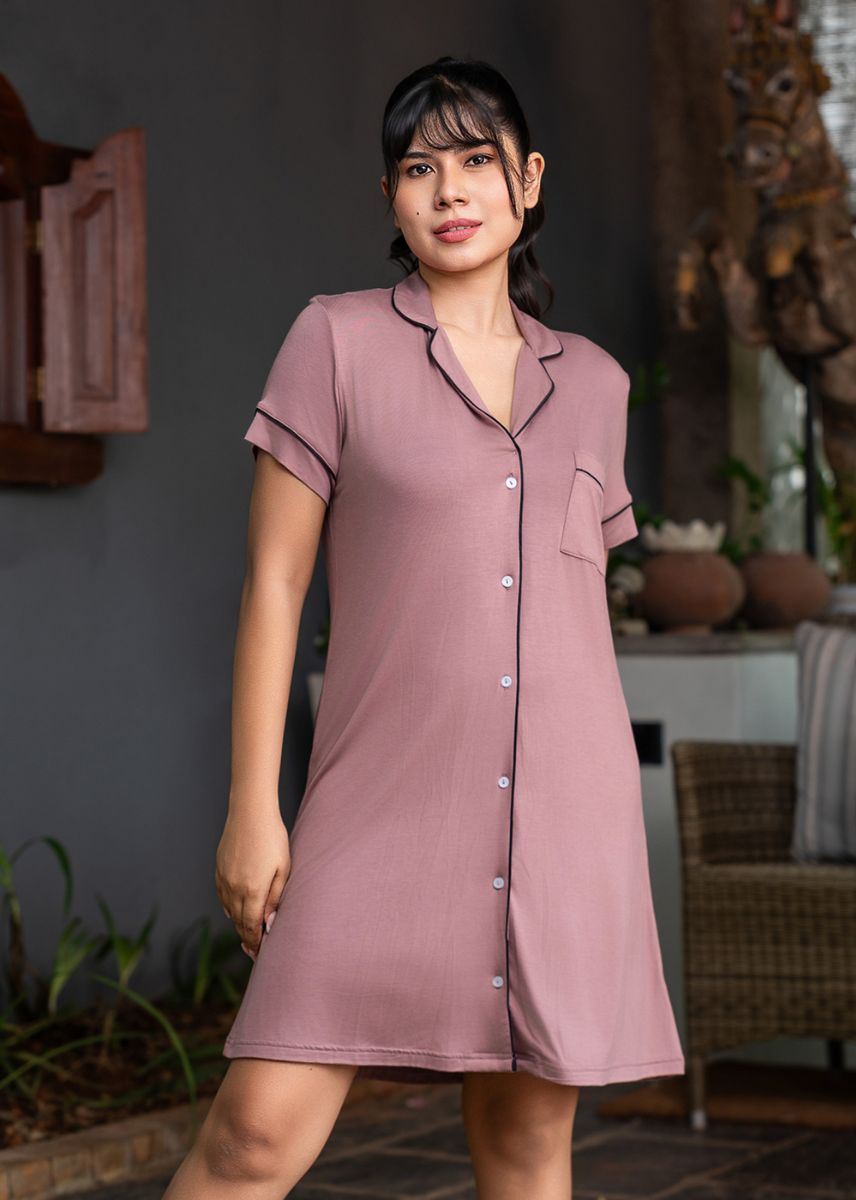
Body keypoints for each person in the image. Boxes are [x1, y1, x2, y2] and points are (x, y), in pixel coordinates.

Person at [163, 54, 684, 1200]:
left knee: (525, 1145)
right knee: (253, 1139)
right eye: (418, 167)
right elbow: (273, 590)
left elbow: (574, 609)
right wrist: (257, 807)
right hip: (382, 799)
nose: (450, 190)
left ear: (529, 182)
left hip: (564, 817)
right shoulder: (335, 343)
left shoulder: (594, 383)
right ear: (392, 199)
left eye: (477, 162)